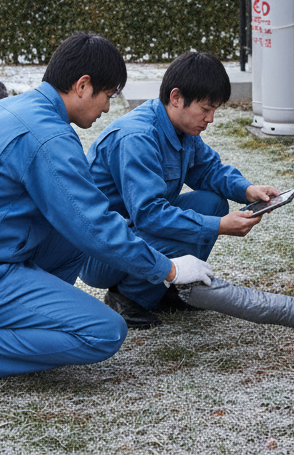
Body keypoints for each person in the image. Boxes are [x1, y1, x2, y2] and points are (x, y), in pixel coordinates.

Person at [0, 33, 214, 405]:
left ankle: (27, 316)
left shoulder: (10, 109)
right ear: (83, 85)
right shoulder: (48, 137)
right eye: (108, 95)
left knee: (72, 231)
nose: (107, 108)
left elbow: (82, 220)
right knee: (104, 332)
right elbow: (95, 226)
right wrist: (168, 269)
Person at [80, 51, 279, 328]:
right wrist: (219, 226)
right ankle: (127, 299)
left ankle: (163, 287)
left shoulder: (182, 129)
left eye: (214, 110)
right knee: (198, 223)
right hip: (100, 250)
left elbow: (209, 170)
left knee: (211, 203)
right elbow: (150, 214)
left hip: (132, 233)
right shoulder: (137, 137)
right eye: (206, 109)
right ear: (176, 98)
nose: (210, 119)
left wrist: (248, 190)